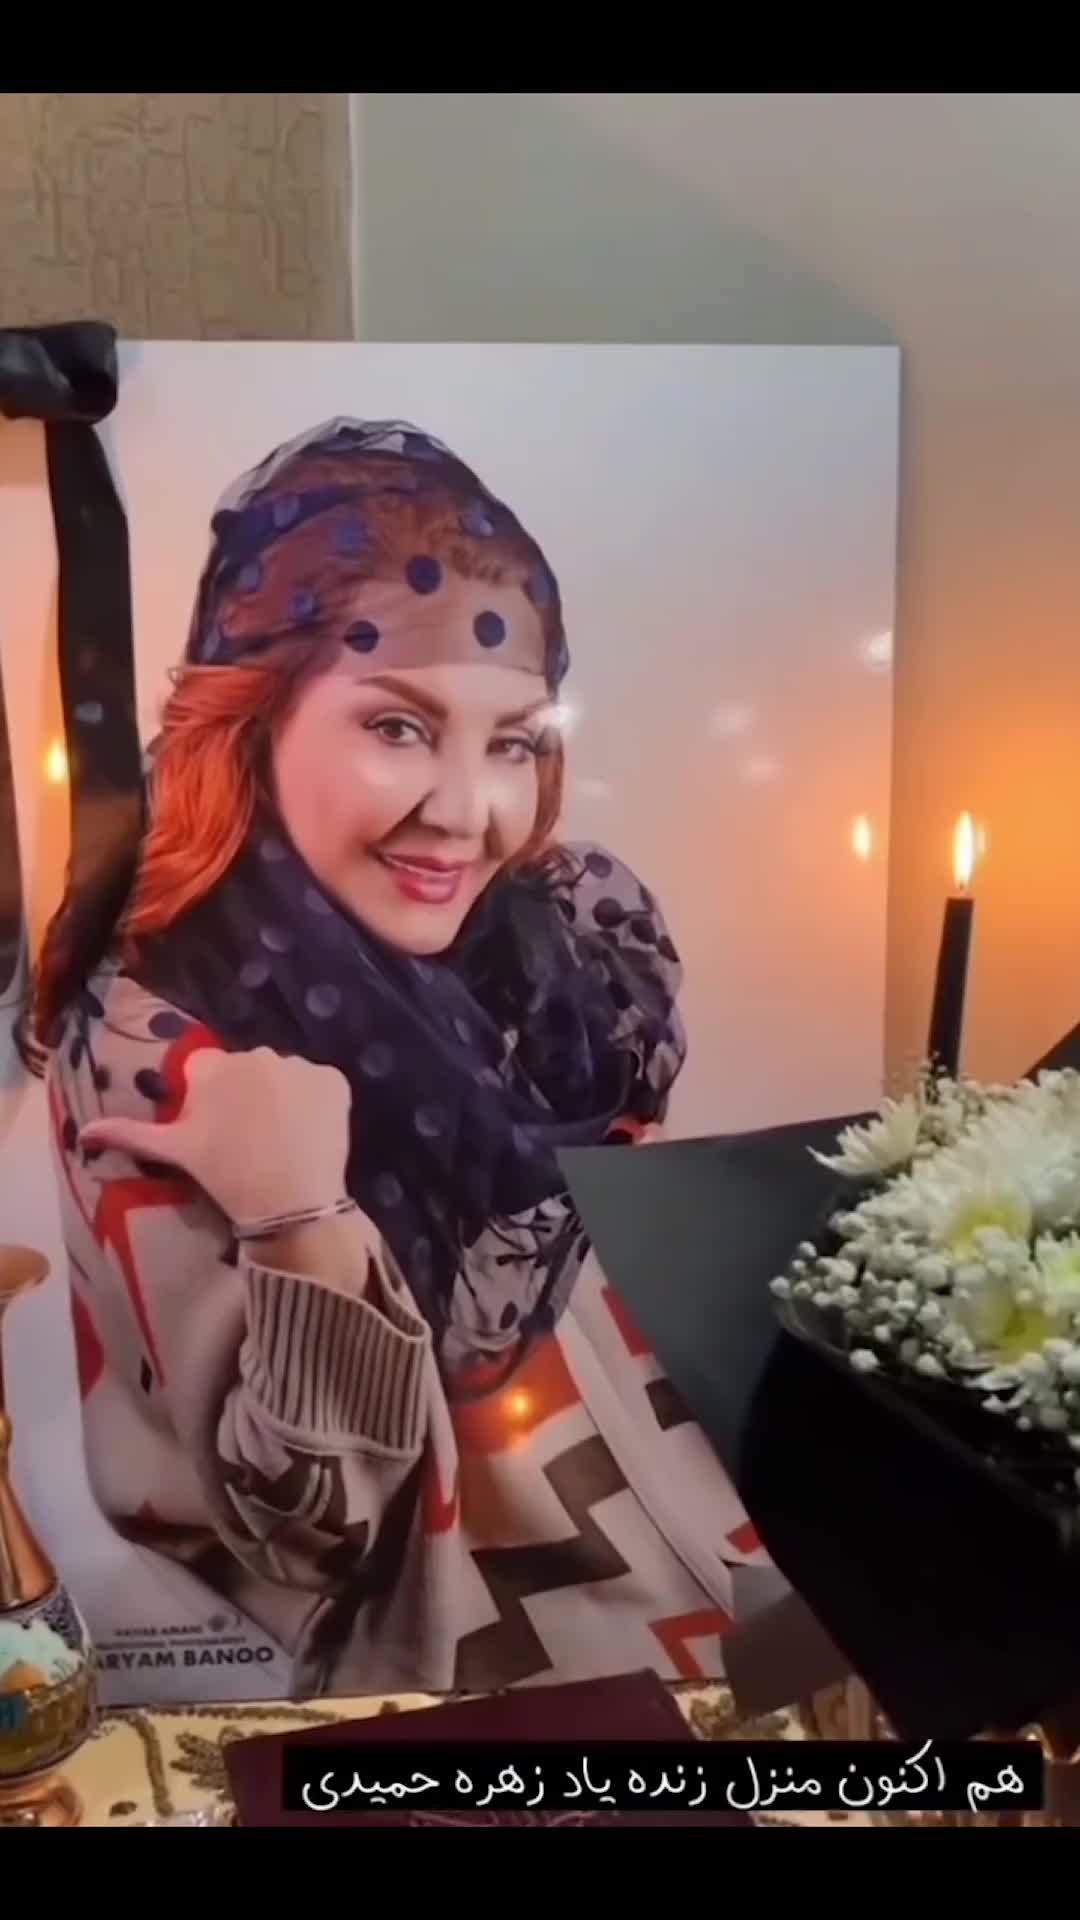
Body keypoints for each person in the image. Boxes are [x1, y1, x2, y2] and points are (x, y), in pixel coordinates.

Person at [38, 417, 789, 1699]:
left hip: (740, 1619)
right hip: (464, 1711)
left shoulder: (564, 953)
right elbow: (310, 1536)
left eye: (512, 741)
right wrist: (297, 1219)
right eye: (398, 727)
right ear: (252, 717)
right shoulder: (157, 1050)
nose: (466, 813)